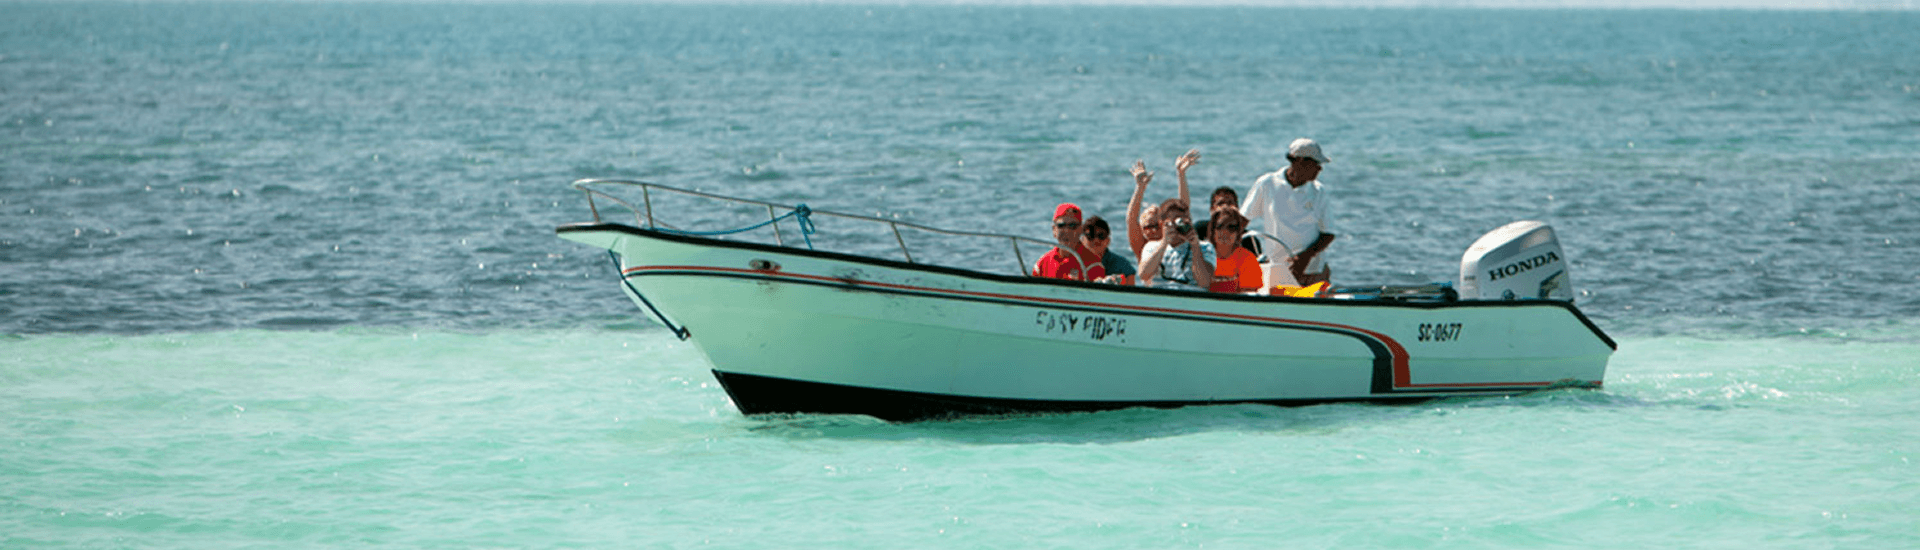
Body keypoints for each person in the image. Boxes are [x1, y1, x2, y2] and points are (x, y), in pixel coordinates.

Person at [1242, 138, 1336, 287]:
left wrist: (1304, 258)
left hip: (1314, 273)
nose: (1320, 169)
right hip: (1277, 272)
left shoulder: (1319, 191)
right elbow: (1242, 220)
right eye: (1316, 164)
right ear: (1300, 162)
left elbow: (1328, 234)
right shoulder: (1267, 183)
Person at [1138, 198, 1214, 290]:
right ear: (1163, 224)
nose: (1180, 225)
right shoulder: (1152, 247)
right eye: (1176, 221)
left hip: (1191, 298)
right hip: (1160, 297)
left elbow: (1205, 282)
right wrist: (1164, 243)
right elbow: (1144, 275)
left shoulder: (1205, 247)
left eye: (1186, 221)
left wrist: (1195, 247)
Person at [1033, 203, 1105, 281]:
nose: (1067, 231)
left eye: (1072, 225)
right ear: (1054, 230)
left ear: (1081, 230)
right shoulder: (1042, 264)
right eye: (1061, 225)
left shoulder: (1093, 266)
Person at [1207, 207, 1262, 293]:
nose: (1225, 232)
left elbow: (1249, 296)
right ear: (1212, 230)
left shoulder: (1247, 259)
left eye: (1231, 227)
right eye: (1220, 226)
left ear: (1238, 232)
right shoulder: (1202, 255)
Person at [1081, 216, 1135, 285]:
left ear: (1108, 241)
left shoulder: (1123, 266)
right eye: (1091, 235)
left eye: (1101, 235)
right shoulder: (1073, 262)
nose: (1096, 240)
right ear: (1082, 240)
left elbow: (1130, 293)